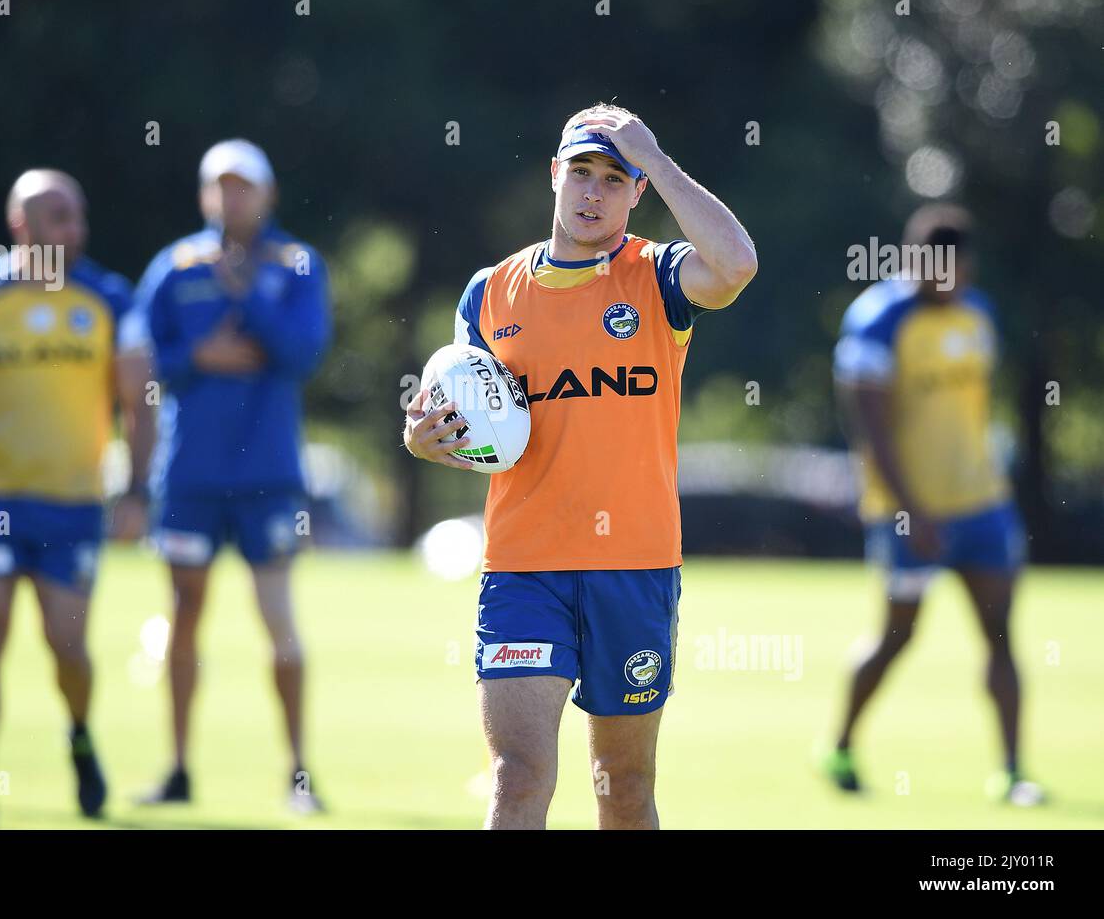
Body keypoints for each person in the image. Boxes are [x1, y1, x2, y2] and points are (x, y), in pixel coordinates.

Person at [404, 103, 757, 829]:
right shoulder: (490, 291)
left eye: (614, 179)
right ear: (554, 176)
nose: (593, 193)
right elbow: (471, 419)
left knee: (622, 786)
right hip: (525, 566)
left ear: (635, 193)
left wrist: (656, 158)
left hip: (635, 566)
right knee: (518, 776)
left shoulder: (659, 277)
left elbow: (737, 264)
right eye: (581, 173)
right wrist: (424, 439)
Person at [0, 170, 155, 828]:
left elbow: (140, 402)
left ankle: (78, 737)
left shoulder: (110, 299)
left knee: (66, 647)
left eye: (77, 217)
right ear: (21, 226)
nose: (73, 230)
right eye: (58, 218)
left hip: (71, 505)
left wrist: (136, 491)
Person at [134, 139, 332, 813]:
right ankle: (177, 769)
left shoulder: (296, 263)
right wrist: (201, 354)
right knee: (183, 616)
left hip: (269, 475)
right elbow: (145, 357)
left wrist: (248, 301)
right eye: (220, 186)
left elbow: (303, 352)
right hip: (188, 475)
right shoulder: (173, 265)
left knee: (278, 618)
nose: (232, 198)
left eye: (244, 186)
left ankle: (299, 774)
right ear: (203, 195)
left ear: (267, 194)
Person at [825, 203, 1043, 805]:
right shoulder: (877, 320)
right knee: (898, 636)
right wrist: (911, 508)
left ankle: (1013, 771)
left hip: (982, 505)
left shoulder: (979, 314)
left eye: (957, 271)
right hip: (908, 514)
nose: (947, 281)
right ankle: (840, 746)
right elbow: (870, 429)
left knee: (1000, 635)